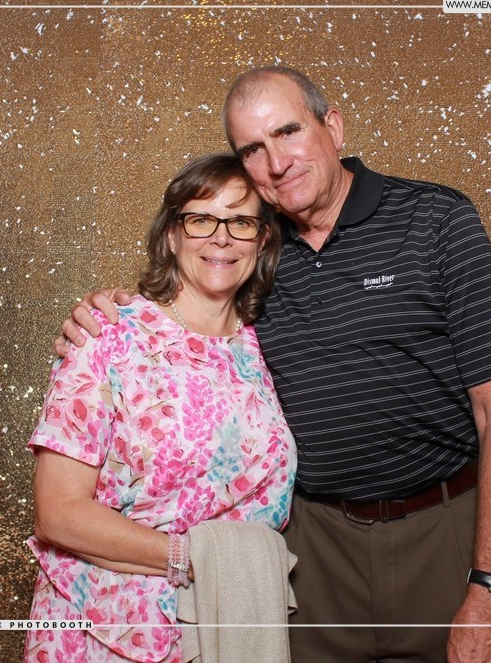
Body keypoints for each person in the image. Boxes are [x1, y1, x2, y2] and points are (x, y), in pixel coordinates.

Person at [59, 67, 491, 663]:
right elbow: (188, 313)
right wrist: (106, 314)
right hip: (313, 554)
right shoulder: (254, 248)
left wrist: (490, 588)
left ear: (332, 127)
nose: (277, 163)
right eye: (252, 150)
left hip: (443, 533)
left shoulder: (435, 220)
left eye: (288, 132)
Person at [25, 153, 296, 662]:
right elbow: (57, 514)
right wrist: (194, 559)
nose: (221, 238)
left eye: (240, 222)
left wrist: (225, 571)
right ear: (171, 234)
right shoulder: (107, 336)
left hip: (228, 623)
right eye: (201, 219)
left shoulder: (262, 346)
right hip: (112, 631)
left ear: (261, 240)